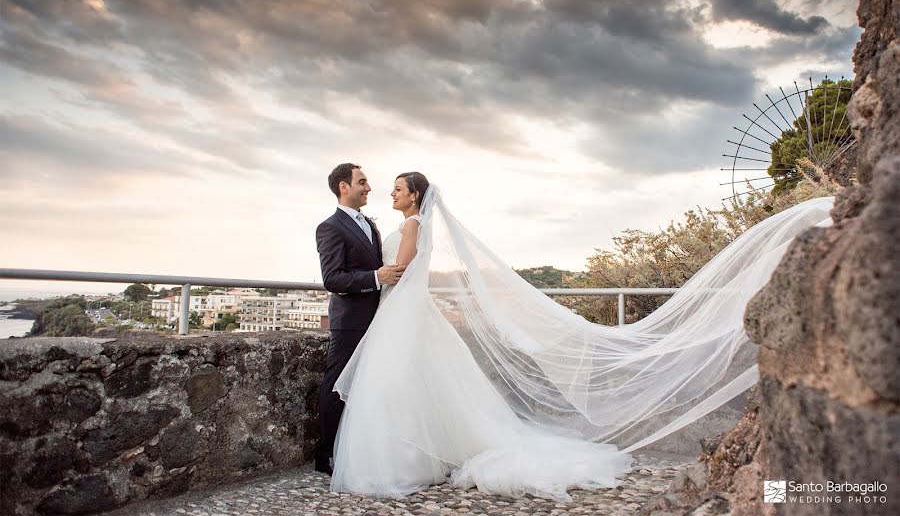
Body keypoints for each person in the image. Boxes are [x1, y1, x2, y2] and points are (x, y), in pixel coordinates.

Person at [328, 173, 835, 501]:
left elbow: (401, 268)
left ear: (414, 195)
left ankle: (399, 460)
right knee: (414, 386)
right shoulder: (394, 222)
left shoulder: (412, 224)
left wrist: (382, 274)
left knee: (397, 385)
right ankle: (415, 454)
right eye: (377, 185)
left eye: (395, 187)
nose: (387, 192)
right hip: (402, 312)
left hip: (402, 310)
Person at [314, 163, 405, 475]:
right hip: (350, 320)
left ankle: (355, 448)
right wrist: (375, 277)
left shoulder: (368, 223)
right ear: (344, 187)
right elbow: (333, 278)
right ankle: (325, 454)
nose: (368, 188)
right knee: (337, 384)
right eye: (362, 182)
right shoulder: (330, 227)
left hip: (377, 317)